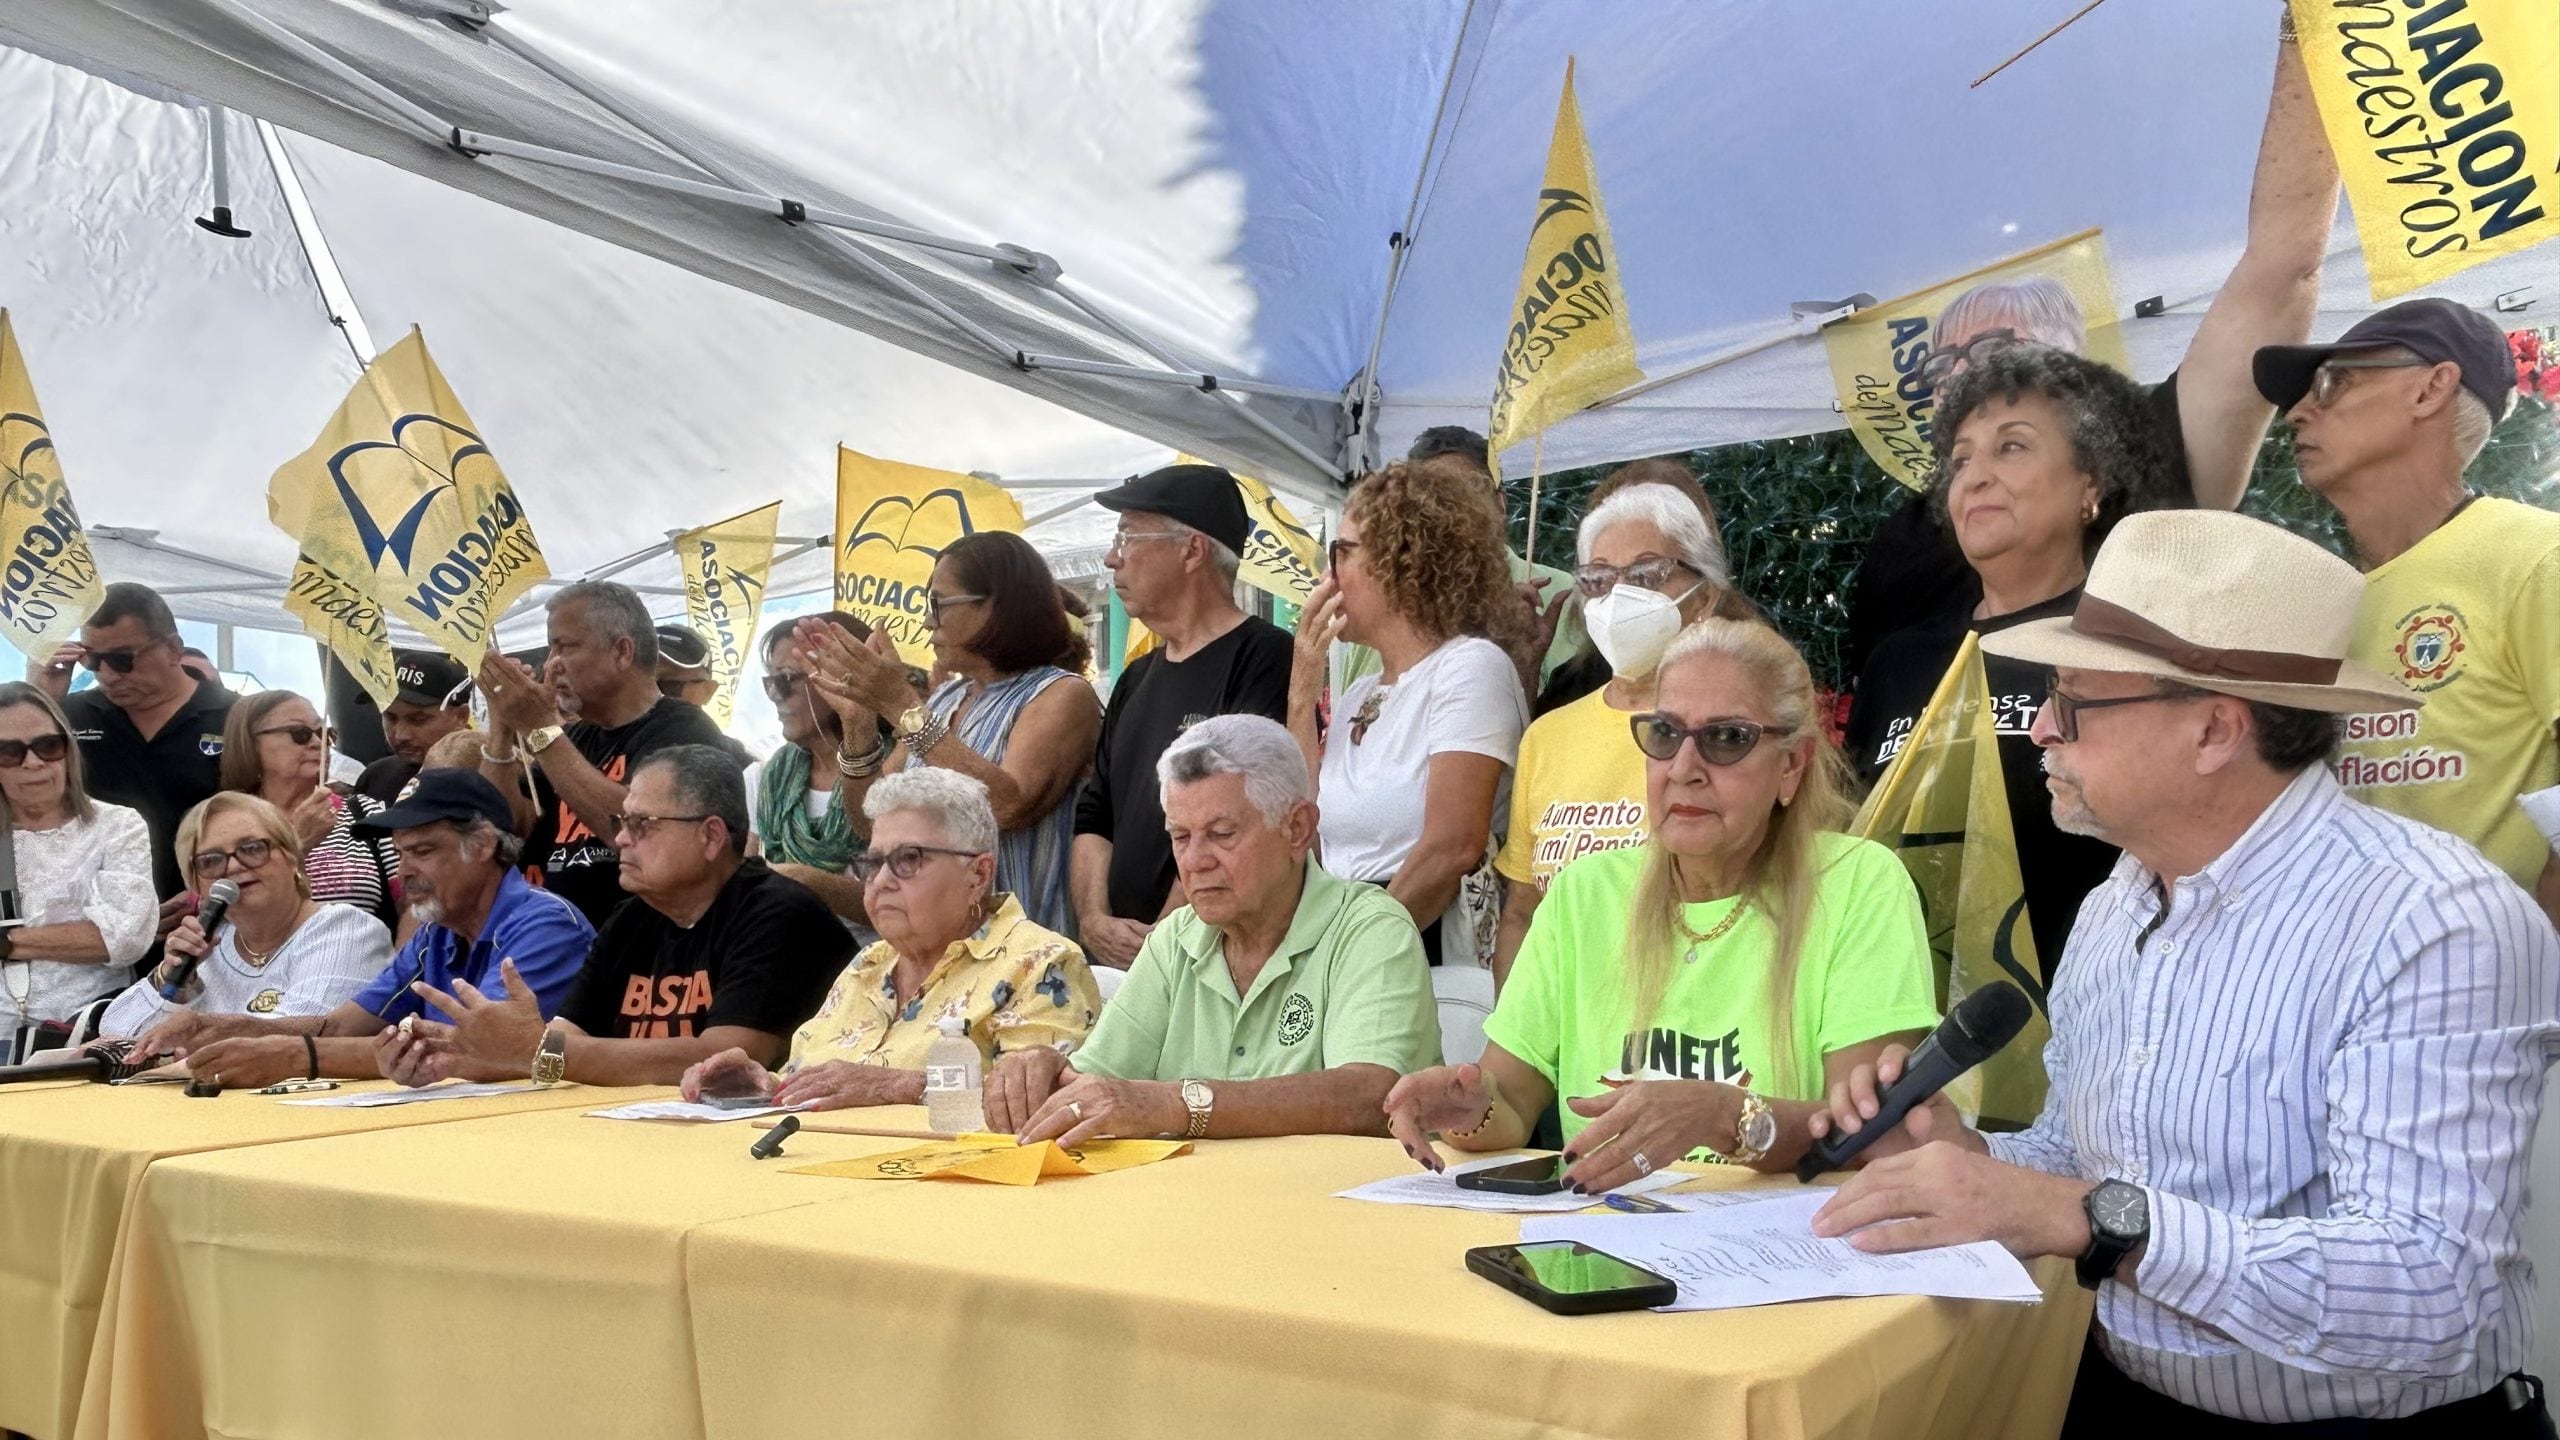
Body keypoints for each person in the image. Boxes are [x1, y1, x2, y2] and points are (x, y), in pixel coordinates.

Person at [1807, 511, 2560, 1436]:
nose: (2041, 728)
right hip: (2129, 1403)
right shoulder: (2116, 904)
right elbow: (2081, 1165)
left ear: (2213, 729)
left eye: (2073, 700)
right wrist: (1957, 1156)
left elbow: (2425, 1289)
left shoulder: (2434, 920)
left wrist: (2084, 1216)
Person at [1845, 24, 2340, 681]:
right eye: (1946, 360)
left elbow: (2281, 272)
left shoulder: (2153, 450)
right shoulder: (1901, 545)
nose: (1964, 372)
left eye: (1995, 346)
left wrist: (2310, 31)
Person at [1384, 619, 1938, 1188]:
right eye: (1665, 734)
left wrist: (1724, 1117)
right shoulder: (1585, 893)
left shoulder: (1858, 884)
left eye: (1727, 739)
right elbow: (1511, 1099)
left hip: (1787, 1253)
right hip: (1600, 1240)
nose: (1683, 769)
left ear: (1791, 766)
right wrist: (1466, 1105)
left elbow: (1870, 1132)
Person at [1844, 344, 2181, 974]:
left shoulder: (2136, 645)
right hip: (1908, 1033)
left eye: (2012, 446)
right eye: (1961, 458)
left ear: (2093, 481)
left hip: (2097, 1023)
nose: (1973, 476)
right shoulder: (1899, 664)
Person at [984, 716, 1440, 1143]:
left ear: (1297, 828)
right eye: (1180, 837)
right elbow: (1100, 1083)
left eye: (1222, 834)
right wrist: (1045, 1073)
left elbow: (1372, 1097)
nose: (1195, 861)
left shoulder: (1370, 928)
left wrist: (1176, 1103)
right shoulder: (1174, 939)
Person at [2252, 298, 2560, 925]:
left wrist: (2529, 987)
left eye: (2333, 383)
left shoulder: (2535, 557)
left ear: (2431, 389)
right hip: (2361, 993)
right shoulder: (2326, 602)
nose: (2296, 413)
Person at [379, 745, 848, 1088]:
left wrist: (535, 1050)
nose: (621, 839)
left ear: (710, 836)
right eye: (622, 823)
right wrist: (450, 1058)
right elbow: (561, 1041)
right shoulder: (632, 918)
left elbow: (724, 1058)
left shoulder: (778, 912)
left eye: (642, 824)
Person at [139, 770, 595, 1088]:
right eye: (400, 852)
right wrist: (216, 1025)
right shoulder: (437, 933)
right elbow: (340, 1026)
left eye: (422, 851)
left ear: (482, 846)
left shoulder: (544, 925)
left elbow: (478, 1053)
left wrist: (296, 1056)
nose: (404, 870)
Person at [680, 768, 1098, 1111]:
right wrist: (763, 1085)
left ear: (979, 874)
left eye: (907, 860)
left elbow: (1038, 1103)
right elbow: (818, 1083)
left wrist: (896, 1086)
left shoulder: (1042, 963)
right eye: (874, 862)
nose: (880, 882)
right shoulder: (869, 964)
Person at [801, 531, 1101, 938]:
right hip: (939, 950)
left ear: (997, 606)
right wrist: (858, 722)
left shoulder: (1061, 692)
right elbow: (873, 821)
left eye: (938, 604)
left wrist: (899, 705)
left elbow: (1007, 806)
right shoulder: (947, 697)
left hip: (1023, 958)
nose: (927, 621)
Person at [1493, 484, 1734, 989]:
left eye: (1647, 575)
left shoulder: (1734, 736)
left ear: (1705, 596)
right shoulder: (1548, 737)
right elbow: (1522, 913)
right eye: (1599, 579)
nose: (1620, 597)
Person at [1290, 461, 1528, 967]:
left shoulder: (1470, 668)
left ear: (1403, 561)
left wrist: (1352, 959)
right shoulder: (1359, 691)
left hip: (1428, 947)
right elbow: (1300, 826)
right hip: (1354, 932)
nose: (1325, 576)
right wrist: (1302, 689)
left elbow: (1453, 846)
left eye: (1342, 554)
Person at [1072, 462, 1293, 967]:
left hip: (1209, 957)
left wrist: (1166, 939)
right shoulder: (1136, 676)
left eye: (1127, 537)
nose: (1111, 558)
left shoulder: (1266, 659)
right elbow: (1096, 811)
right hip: (1121, 959)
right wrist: (1092, 920)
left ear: (1192, 550)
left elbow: (1244, 813)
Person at [477, 580, 733, 927]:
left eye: (564, 647)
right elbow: (502, 824)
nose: (552, 664)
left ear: (622, 651)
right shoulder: (577, 738)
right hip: (558, 946)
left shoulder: (683, 728)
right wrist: (502, 726)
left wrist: (541, 731)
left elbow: (636, 828)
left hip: (640, 953)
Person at [97, 793, 391, 1045]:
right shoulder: (207, 947)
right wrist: (172, 979)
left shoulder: (346, 930)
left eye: (252, 849)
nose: (234, 866)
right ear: (196, 884)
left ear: (291, 856)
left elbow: (299, 1036)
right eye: (210, 860)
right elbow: (115, 1033)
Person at [36, 582, 237, 909]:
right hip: (95, 922)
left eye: (121, 659)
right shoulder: (66, 716)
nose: (107, 674)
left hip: (208, 918)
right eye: (92, 660)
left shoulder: (237, 717)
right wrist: (43, 700)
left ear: (173, 649)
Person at [1345, 426, 1584, 693]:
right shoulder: (1385, 607)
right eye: (1432, 499)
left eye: (1467, 491)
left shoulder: (1565, 598)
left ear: (1500, 504)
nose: (1452, 512)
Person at [0, 683, 156, 1039]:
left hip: (87, 1033)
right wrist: (72, 937)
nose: (33, 762)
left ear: (68, 748)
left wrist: (5, 942)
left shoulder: (119, 825)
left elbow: (126, 939)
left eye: (47, 745)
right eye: (9, 752)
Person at [1531, 457, 1736, 716]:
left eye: (1648, 572)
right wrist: (1526, 665)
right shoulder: (1574, 685)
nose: (1620, 591)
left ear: (1705, 594)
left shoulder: (1754, 686)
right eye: (1601, 574)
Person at [745, 612, 888, 930]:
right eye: (769, 683)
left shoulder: (899, 768)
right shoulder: (766, 778)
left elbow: (899, 898)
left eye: (785, 679)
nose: (775, 696)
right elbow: (746, 889)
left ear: (842, 675)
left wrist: (806, 880)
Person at [219, 691, 399, 925]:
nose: (318, 743)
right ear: (250, 743)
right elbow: (223, 908)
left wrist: (400, 961)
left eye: (325, 734)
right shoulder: (222, 823)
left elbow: (412, 903)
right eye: (300, 734)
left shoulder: (366, 813)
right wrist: (298, 843)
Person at [354, 651, 473, 806]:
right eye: (390, 717)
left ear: (460, 716)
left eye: (418, 720)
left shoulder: (491, 776)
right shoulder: (376, 777)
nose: (400, 735)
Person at [656, 623, 755, 765]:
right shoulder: (620, 745)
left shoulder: (742, 767)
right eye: (641, 684)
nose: (650, 695)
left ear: (708, 691)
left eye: (670, 686)